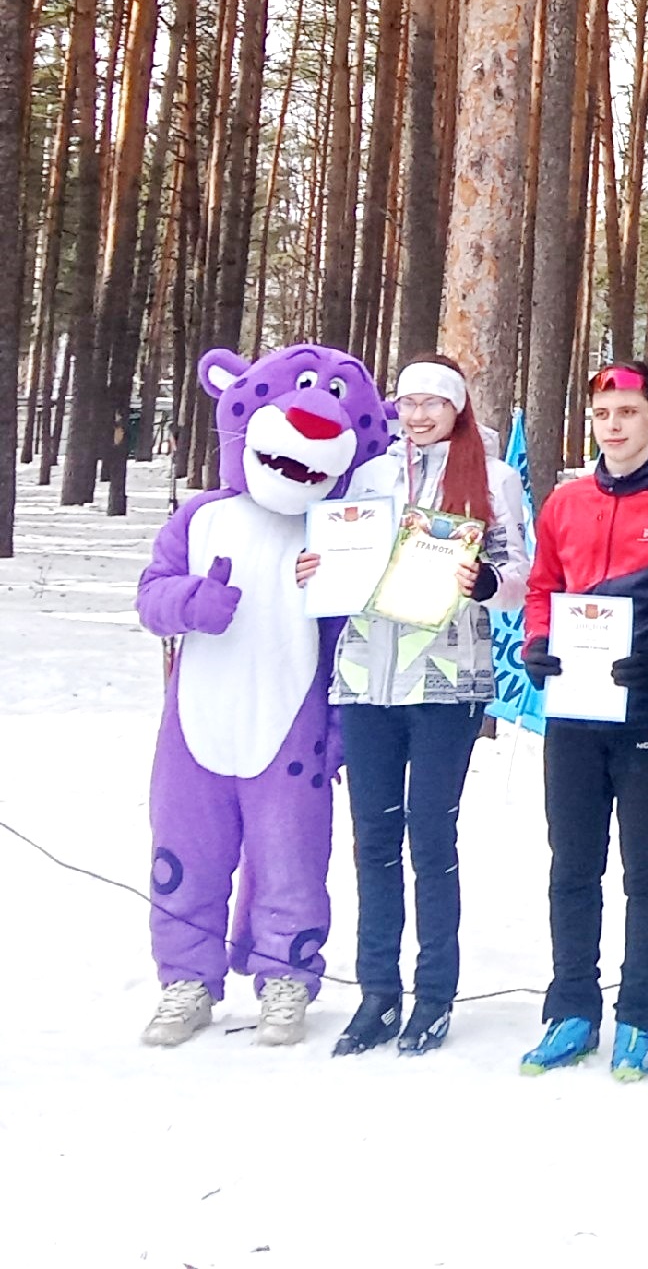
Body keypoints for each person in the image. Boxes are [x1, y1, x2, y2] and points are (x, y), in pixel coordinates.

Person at [136, 345, 393, 1050]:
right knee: (186, 849)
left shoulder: (338, 534)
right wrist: (191, 600)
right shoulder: (202, 518)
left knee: (293, 856)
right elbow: (150, 596)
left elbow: (350, 635)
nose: (314, 420)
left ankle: (287, 974)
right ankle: (186, 979)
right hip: (196, 725)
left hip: (293, 729)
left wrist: (341, 726)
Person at [515, 359, 648, 1082]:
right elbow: (543, 587)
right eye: (605, 415)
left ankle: (639, 1016)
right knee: (572, 865)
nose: (616, 426)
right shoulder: (565, 504)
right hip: (575, 711)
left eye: (630, 413)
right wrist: (538, 643)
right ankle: (572, 1008)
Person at [324, 354, 531, 1057]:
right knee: (372, 840)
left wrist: (485, 582)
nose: (416, 416)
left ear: (458, 407)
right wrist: (314, 568)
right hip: (365, 679)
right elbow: (339, 552)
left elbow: (521, 578)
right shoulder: (371, 474)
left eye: (431, 404)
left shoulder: (494, 479)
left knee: (429, 837)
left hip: (445, 682)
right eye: (406, 403)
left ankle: (434, 993)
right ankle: (377, 992)